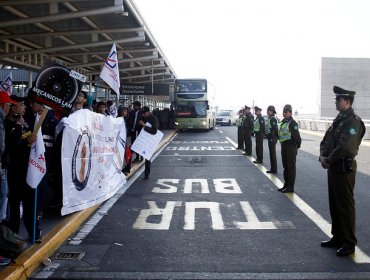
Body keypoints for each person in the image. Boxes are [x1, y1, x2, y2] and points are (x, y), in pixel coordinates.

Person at [319, 86, 365, 257]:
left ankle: (349, 242)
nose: (336, 102)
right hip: (333, 166)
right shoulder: (339, 119)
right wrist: (322, 155)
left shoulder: (352, 121)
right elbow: (327, 139)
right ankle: (338, 236)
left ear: (347, 101)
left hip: (344, 167)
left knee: (345, 205)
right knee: (335, 203)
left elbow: (346, 147)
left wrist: (328, 159)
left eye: (338, 100)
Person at [277, 104, 301, 193]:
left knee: (291, 167)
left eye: (286, 112)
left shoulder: (292, 123)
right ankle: (286, 184)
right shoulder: (283, 122)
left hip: (291, 147)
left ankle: (291, 187)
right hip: (284, 146)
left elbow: (297, 137)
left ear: (290, 113)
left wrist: (296, 147)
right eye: (283, 111)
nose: (284, 113)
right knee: (285, 167)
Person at [136, 106, 159, 179]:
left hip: (149, 140)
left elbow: (154, 131)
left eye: (144, 113)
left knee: (147, 158)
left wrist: (144, 125)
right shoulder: (142, 118)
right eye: (142, 113)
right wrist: (139, 125)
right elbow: (137, 128)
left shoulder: (153, 118)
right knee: (134, 150)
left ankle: (146, 174)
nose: (143, 114)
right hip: (141, 139)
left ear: (148, 112)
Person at [265, 105, 279, 173]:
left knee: (272, 154)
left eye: (268, 110)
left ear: (272, 111)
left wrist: (274, 137)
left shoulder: (273, 119)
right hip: (270, 137)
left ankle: (274, 169)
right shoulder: (269, 118)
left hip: (272, 138)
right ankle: (273, 168)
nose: (267, 111)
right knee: (271, 153)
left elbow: (275, 129)